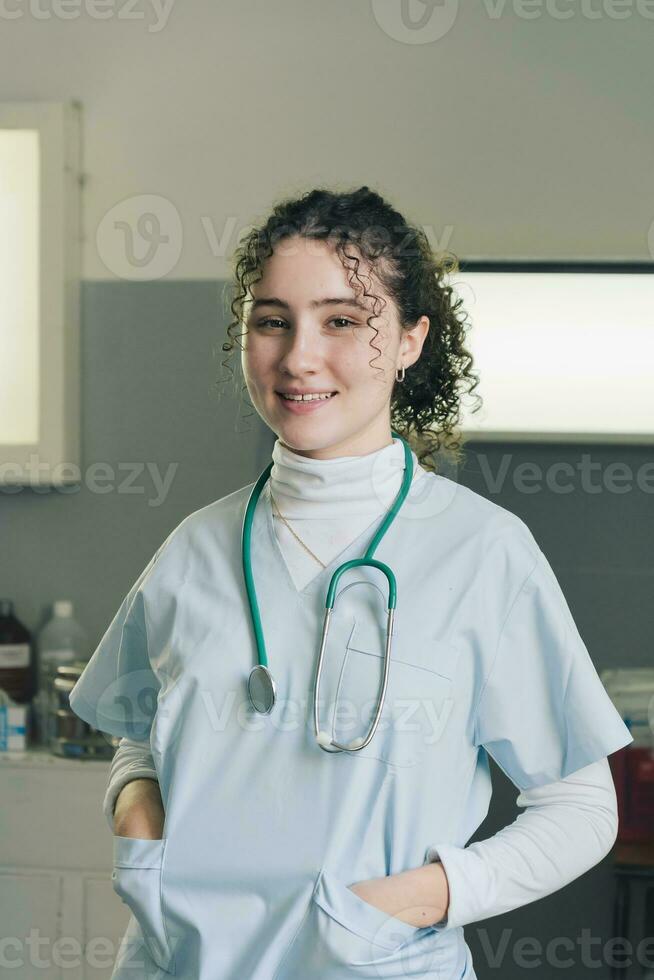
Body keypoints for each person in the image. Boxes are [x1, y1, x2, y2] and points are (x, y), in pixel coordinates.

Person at [69, 186, 633, 980]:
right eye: (272, 320)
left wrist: (415, 901)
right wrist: (140, 822)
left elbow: (581, 808)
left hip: (377, 966)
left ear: (409, 339)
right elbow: (139, 727)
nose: (300, 355)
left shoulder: (484, 554)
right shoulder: (194, 548)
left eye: (342, 319)